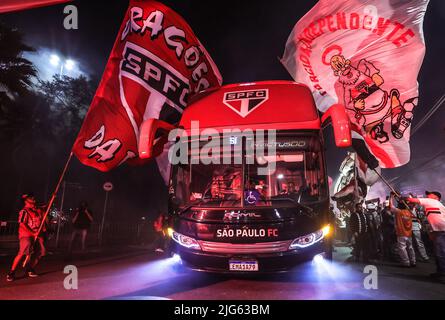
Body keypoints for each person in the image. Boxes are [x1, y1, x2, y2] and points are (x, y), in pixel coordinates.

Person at [6, 194, 46, 282]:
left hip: (37, 234)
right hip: (26, 234)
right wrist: (33, 233)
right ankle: (11, 272)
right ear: (26, 201)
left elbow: (43, 218)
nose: (33, 199)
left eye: (33, 198)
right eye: (31, 199)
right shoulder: (24, 211)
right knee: (24, 250)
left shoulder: (38, 210)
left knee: (41, 251)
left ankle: (30, 268)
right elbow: (22, 224)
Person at [406, 191, 445, 281]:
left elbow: (412, 199)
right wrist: (431, 232)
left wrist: (404, 198)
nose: (428, 195)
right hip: (438, 231)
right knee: (438, 253)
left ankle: (442, 273)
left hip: (441, 231)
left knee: (440, 253)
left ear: (436, 197)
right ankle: (440, 271)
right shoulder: (432, 205)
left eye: (431, 194)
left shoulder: (433, 202)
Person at [390, 193, 416, 267]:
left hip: (401, 233)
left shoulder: (398, 212)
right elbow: (414, 204)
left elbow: (391, 206)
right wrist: (410, 197)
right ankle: (413, 261)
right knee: (410, 247)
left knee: (402, 248)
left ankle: (406, 262)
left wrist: (391, 197)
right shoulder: (410, 212)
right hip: (409, 233)